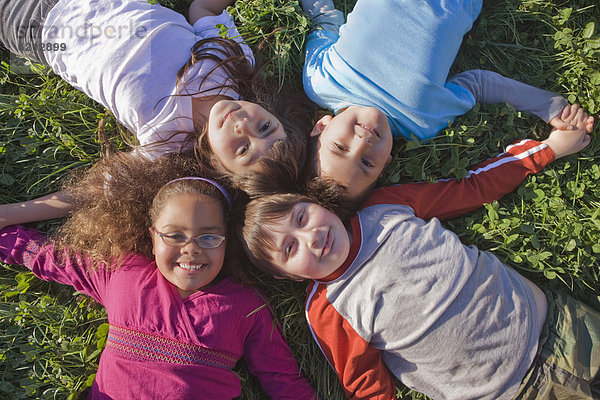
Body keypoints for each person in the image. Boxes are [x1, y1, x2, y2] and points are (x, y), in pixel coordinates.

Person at [238, 106, 599, 399]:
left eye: (302, 217)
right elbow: (366, 384)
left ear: (319, 204)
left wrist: (550, 148)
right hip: (511, 393)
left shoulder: (385, 208)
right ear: (287, 276)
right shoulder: (327, 309)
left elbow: (471, 188)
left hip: (559, 325)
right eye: (290, 248)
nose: (311, 237)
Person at [0, 153, 318, 399]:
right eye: (175, 236)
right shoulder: (124, 273)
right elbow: (51, 259)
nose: (191, 250)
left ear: (227, 241)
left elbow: (283, 380)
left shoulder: (246, 306)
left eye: (209, 237)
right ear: (152, 237)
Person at [299, 0, 596, 198]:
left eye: (340, 147)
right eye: (367, 163)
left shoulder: (321, 82)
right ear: (386, 163)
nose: (362, 143)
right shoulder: (422, 122)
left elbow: (324, 20)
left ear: (321, 127)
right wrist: (548, 105)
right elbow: (478, 84)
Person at [0, 0, 311, 174]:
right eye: (266, 127)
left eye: (243, 149)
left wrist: (13, 214)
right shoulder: (236, 63)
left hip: (35, 26)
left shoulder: (168, 144)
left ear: (218, 164)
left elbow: (104, 181)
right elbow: (203, 10)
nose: (245, 125)